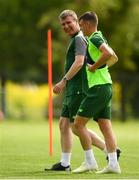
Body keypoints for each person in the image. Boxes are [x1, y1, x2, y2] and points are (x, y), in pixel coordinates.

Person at [44, 10, 120, 172]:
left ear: (78, 22)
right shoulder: (80, 38)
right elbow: (111, 57)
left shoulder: (81, 39)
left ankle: (106, 151)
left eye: (69, 22)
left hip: (78, 89)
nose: (66, 26)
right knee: (64, 124)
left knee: (76, 126)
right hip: (74, 88)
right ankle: (65, 163)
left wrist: (63, 81)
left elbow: (79, 62)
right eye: (63, 24)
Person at [72, 11, 121, 174]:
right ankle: (113, 164)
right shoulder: (100, 36)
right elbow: (114, 57)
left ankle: (90, 162)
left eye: (80, 25)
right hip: (106, 85)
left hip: (98, 88)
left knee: (77, 125)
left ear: (86, 24)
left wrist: (93, 67)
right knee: (106, 127)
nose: (80, 28)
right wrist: (101, 68)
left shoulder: (94, 37)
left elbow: (108, 54)